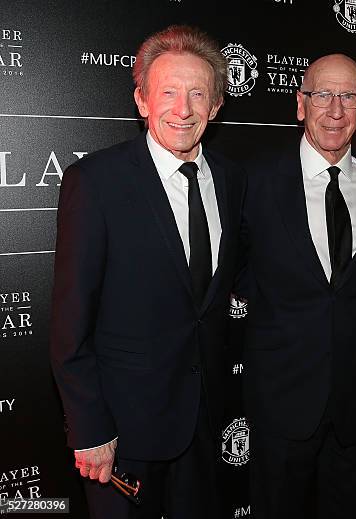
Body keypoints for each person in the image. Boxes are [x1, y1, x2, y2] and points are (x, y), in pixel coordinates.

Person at [49, 25, 245, 519]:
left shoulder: (233, 180)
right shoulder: (95, 182)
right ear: (141, 100)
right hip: (122, 432)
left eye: (198, 94)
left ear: (216, 106)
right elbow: (70, 323)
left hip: (204, 426)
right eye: (169, 92)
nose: (183, 109)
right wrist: (91, 428)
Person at [239, 54, 356, 519]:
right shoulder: (254, 182)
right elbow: (228, 270)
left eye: (348, 96)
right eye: (322, 95)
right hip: (282, 402)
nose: (335, 110)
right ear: (300, 103)